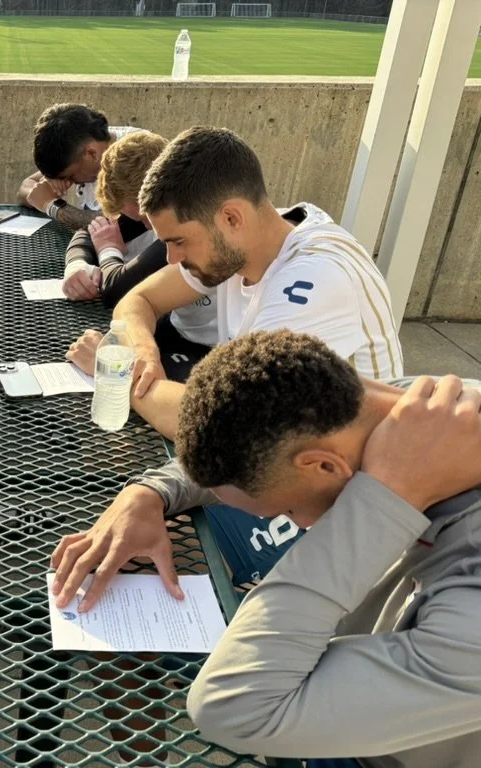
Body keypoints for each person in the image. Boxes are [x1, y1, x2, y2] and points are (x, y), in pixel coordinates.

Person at [76, 330, 481, 768]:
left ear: (326, 465)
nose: (294, 525)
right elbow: (259, 442)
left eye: (286, 510)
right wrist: (150, 492)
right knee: (126, 600)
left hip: (383, 752)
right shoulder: (419, 414)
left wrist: (386, 498)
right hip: (348, 670)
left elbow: (233, 708)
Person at [64, 126, 404, 585]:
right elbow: (136, 303)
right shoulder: (246, 241)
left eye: (178, 241)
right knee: (109, 503)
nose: (168, 258)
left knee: (129, 562)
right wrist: (142, 353)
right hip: (277, 461)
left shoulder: (313, 283)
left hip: (343, 503)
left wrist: (116, 371)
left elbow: (226, 430)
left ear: (231, 217)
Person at [61, 129, 216, 382]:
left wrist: (109, 250)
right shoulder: (146, 216)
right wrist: (76, 266)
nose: (148, 227)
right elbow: (91, 232)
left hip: (204, 347)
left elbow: (117, 289)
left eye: (143, 218)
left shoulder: (188, 229)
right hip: (178, 328)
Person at [16, 103, 138, 231]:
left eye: (69, 175)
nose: (68, 181)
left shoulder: (136, 154)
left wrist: (51, 205)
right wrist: (46, 187)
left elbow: (112, 225)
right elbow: (25, 187)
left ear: (91, 154)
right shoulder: (81, 142)